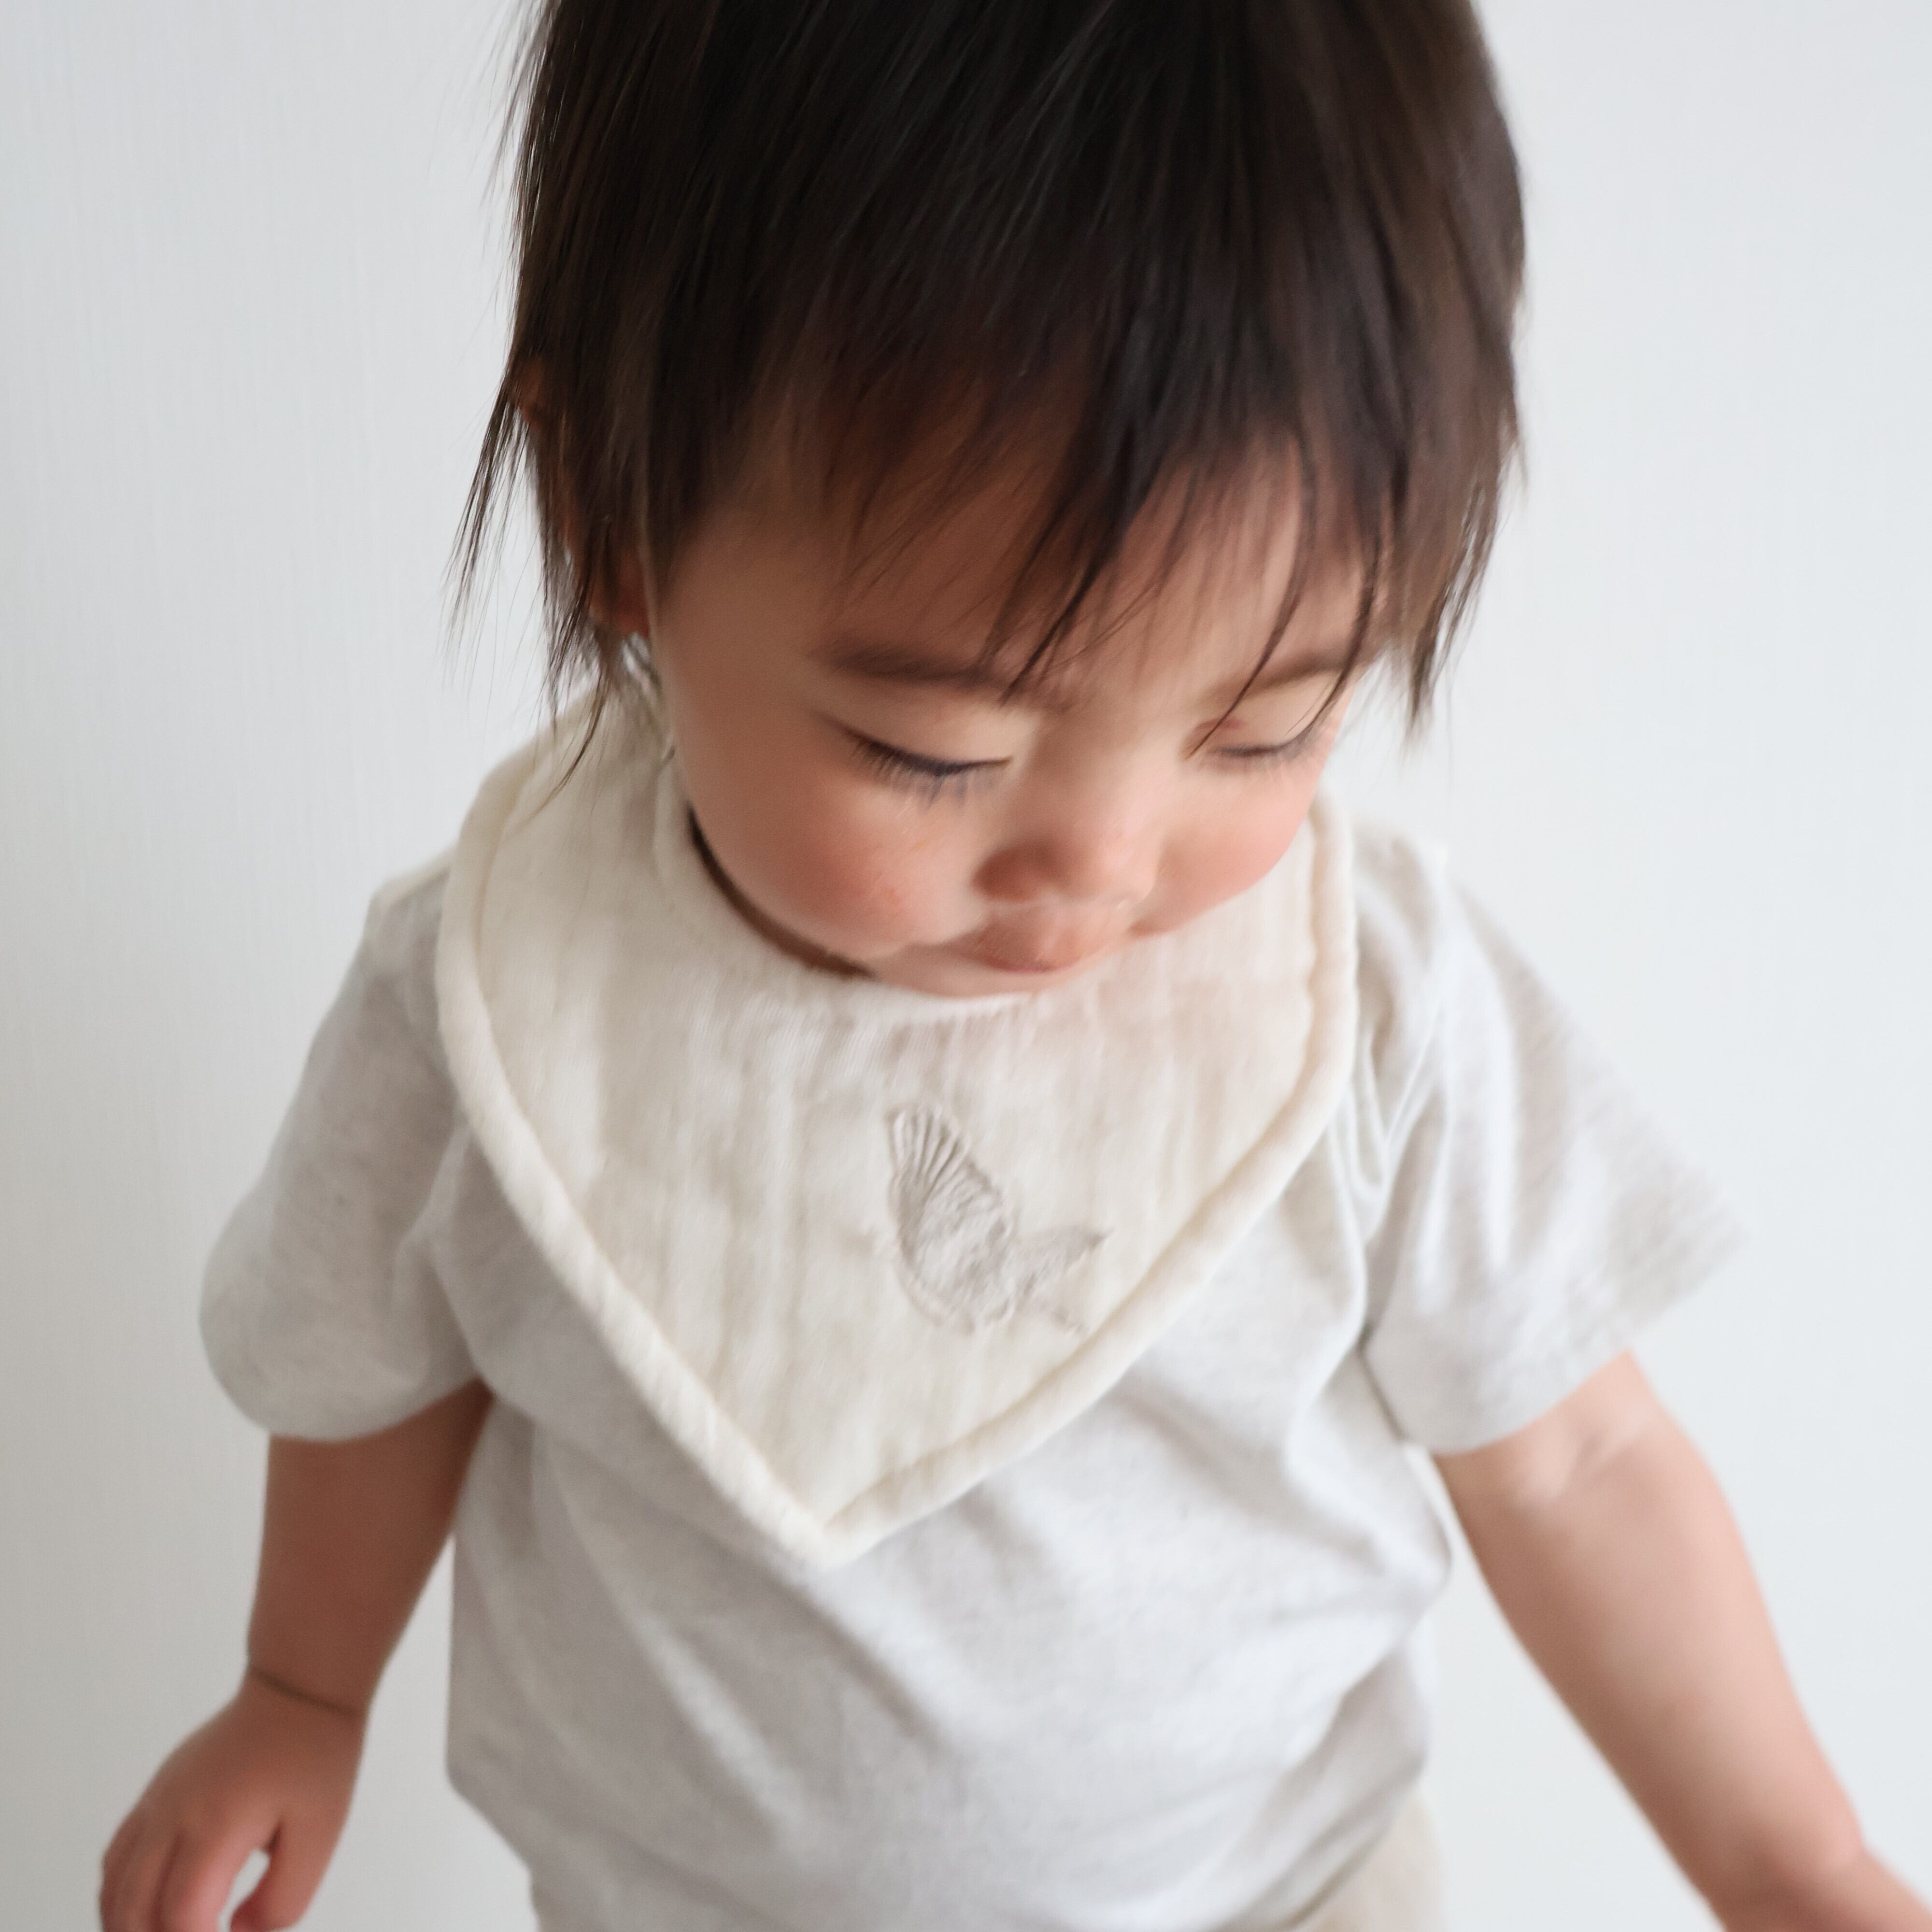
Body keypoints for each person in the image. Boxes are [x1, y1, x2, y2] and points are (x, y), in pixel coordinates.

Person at [98, 3, 1930, 1930]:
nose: (1102, 863)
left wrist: (1792, 1861)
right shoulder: (493, 1004)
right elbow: (377, 1367)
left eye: (1259, 730)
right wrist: (302, 1691)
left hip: (1282, 1900)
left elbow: (1577, 1460)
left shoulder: (1365, 1009)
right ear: (612, 520)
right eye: (936, 751)